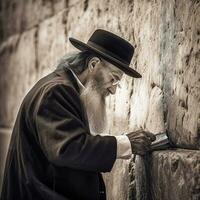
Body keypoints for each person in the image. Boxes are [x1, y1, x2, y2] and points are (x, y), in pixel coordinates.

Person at [0, 29, 156, 200]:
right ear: (93, 64)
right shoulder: (57, 91)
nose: (113, 89)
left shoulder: (67, 89)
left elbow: (67, 140)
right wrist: (126, 143)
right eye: (113, 78)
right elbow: (69, 147)